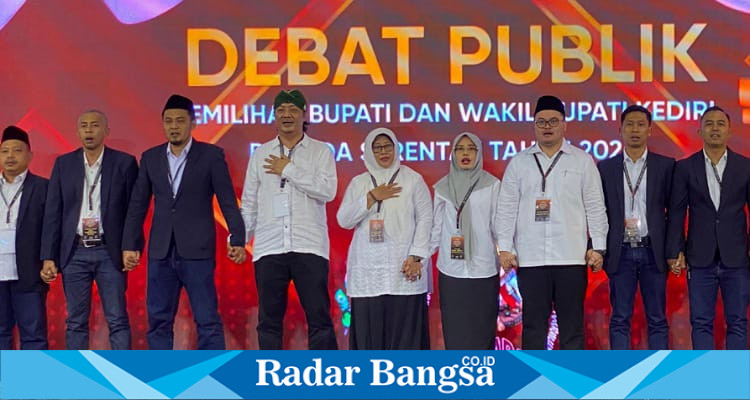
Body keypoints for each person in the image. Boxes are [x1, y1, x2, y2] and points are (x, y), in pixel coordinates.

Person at [122, 94, 246, 350]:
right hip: (161, 251)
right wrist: (130, 245)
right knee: (158, 320)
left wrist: (237, 237)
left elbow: (227, 200)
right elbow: (137, 205)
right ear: (163, 124)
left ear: (192, 122)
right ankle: (163, 378)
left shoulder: (211, 155)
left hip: (197, 250)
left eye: (180, 120)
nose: (174, 126)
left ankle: (212, 380)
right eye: (169, 121)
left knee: (207, 319)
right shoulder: (150, 157)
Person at [497, 95, 608, 350]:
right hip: (531, 259)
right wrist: (505, 247)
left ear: (564, 125)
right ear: (534, 125)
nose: (547, 126)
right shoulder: (519, 163)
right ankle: (534, 385)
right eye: (541, 121)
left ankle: (572, 384)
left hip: (571, 257)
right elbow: (506, 208)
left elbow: (595, 206)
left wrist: (599, 247)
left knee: (572, 326)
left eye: (553, 121)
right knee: (534, 326)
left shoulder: (581, 161)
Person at [241, 89, 338, 350]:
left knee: (319, 318)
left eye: (293, 110)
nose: (287, 115)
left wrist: (288, 170)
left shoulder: (320, 152)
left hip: (309, 246)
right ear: (273, 115)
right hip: (270, 247)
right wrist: (240, 240)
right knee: (269, 321)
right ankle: (272, 380)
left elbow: (327, 191)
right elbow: (249, 202)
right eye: (281, 110)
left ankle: (328, 380)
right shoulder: (260, 154)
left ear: (304, 115)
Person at [40, 110, 137, 350]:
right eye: (84, 126)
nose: (89, 130)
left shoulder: (124, 163)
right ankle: (79, 379)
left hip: (109, 250)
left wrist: (131, 246)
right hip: (74, 251)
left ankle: (123, 376)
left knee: (117, 319)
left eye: (95, 125)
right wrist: (48, 256)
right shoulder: (64, 164)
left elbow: (134, 211)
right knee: (75, 321)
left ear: (106, 131)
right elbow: (53, 213)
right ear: (77, 132)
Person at [338, 127, 432, 350]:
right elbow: (344, 220)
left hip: (405, 269)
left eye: (387, 146)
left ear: (396, 148)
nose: (383, 152)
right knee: (370, 339)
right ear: (369, 152)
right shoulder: (359, 183)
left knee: (405, 340)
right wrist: (371, 197)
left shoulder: (412, 180)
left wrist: (416, 256)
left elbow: (426, 219)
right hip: (368, 274)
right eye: (377, 147)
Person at [666, 106, 750, 349]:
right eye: (709, 123)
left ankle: (736, 378)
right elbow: (677, 212)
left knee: (738, 321)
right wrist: (675, 250)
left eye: (720, 124)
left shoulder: (745, 166)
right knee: (701, 321)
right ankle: (706, 379)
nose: (715, 128)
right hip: (699, 257)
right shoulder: (685, 167)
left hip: (737, 257)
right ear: (699, 130)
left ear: (730, 131)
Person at [598, 105, 674, 350]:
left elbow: (674, 213)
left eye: (641, 124)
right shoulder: (605, 168)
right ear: (620, 130)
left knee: (658, 319)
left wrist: (675, 249)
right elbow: (599, 212)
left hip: (654, 250)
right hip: (620, 252)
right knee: (620, 318)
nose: (635, 129)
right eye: (629, 124)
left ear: (650, 130)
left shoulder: (666, 166)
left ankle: (658, 377)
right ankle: (622, 375)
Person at [430, 132, 501, 350]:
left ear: (478, 153)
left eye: (471, 148)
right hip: (451, 271)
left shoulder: (492, 185)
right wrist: (418, 257)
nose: (465, 153)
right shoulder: (442, 188)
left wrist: (508, 252)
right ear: (453, 153)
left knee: (482, 331)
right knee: (455, 332)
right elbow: (435, 229)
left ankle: (486, 377)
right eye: (460, 149)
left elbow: (498, 225)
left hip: (483, 268)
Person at [0, 126, 48, 349]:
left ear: (30, 155)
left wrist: (49, 260)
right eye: (5, 151)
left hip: (28, 272)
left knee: (33, 334)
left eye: (17, 150)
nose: (10, 156)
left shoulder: (43, 187)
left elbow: (51, 229)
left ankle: (31, 384)